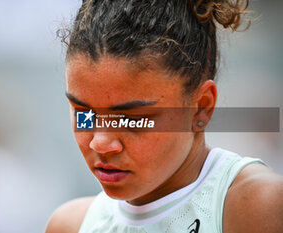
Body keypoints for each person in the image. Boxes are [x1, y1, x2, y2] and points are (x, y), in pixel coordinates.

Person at [46, 0, 283, 232]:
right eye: (84, 113)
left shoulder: (258, 206)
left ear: (201, 106)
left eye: (132, 118)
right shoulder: (71, 225)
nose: (100, 143)